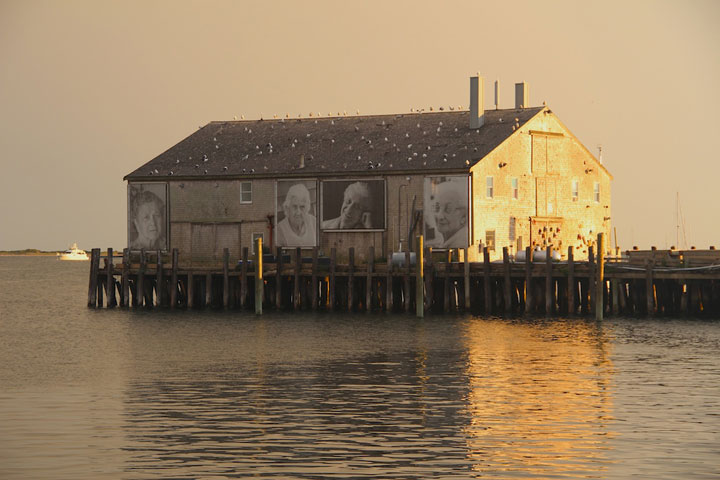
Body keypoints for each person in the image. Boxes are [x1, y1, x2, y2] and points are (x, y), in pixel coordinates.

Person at [431, 181, 468, 248]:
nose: (440, 216)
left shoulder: (460, 245)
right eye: (437, 208)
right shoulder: (446, 243)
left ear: (463, 217)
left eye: (448, 209)